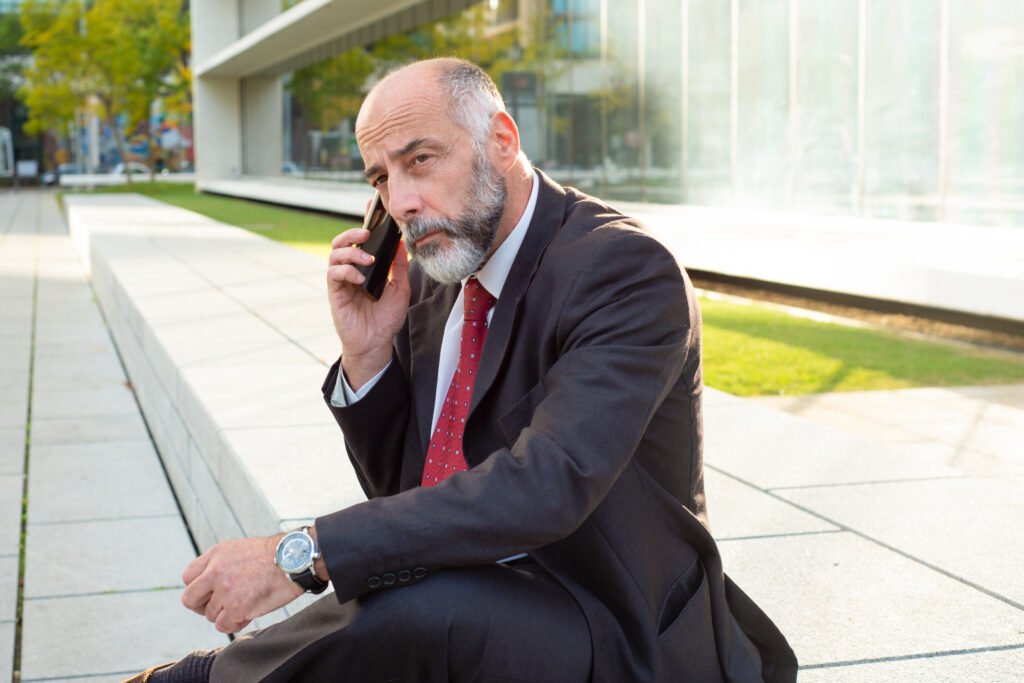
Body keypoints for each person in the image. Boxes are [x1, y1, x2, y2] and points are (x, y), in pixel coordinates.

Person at [126, 57, 795, 683]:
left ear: (502, 139)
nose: (403, 202)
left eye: (421, 161)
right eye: (382, 178)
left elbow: (545, 487)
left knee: (417, 608)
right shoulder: (434, 278)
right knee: (409, 595)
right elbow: (410, 497)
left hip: (615, 623)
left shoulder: (623, 271)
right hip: (486, 598)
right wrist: (367, 354)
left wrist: (305, 550)